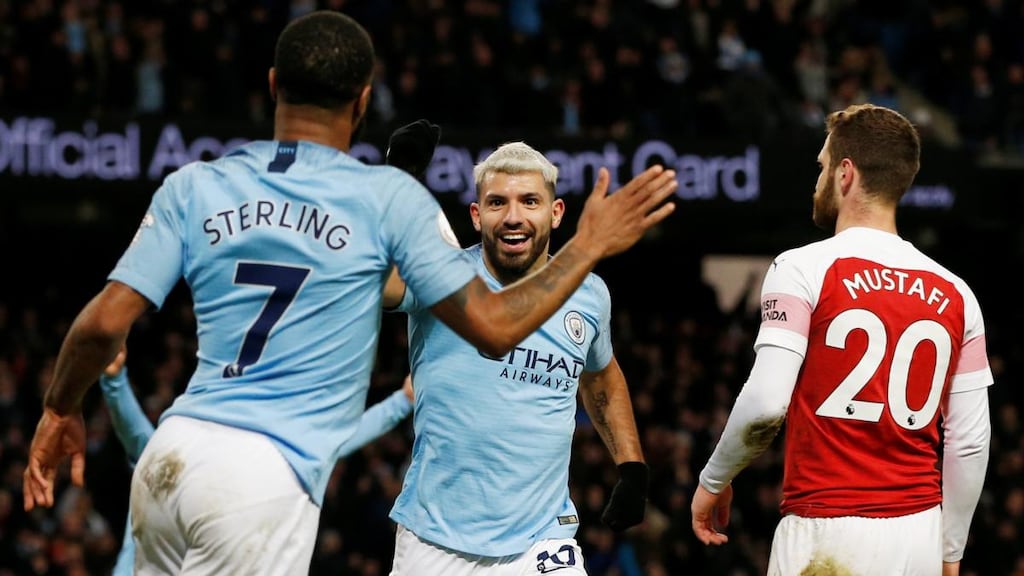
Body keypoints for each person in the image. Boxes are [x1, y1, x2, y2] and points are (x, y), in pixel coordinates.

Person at [21, 10, 678, 574]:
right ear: (363, 100)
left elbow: (103, 323)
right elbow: (493, 325)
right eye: (499, 202)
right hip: (264, 474)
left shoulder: (195, 183)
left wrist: (58, 409)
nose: (514, 216)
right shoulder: (386, 201)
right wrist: (591, 242)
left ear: (273, 84)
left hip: (176, 446)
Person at [690, 103, 993, 576]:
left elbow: (768, 403)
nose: (818, 180)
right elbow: (970, 443)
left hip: (825, 529)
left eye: (822, 167)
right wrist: (949, 551)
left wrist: (715, 478)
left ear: (845, 174)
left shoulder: (802, 268)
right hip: (918, 536)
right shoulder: (957, 293)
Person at [382, 141, 650, 575]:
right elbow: (376, 281)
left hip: (542, 541)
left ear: (556, 212)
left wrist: (632, 466)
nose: (512, 217)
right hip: (434, 542)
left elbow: (601, 377)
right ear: (476, 215)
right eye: (496, 203)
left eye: (529, 201)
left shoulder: (589, 294)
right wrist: (396, 188)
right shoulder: (439, 277)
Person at [98, 346, 415, 575]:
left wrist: (401, 402)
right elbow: (139, 438)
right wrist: (114, 381)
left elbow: (337, 442)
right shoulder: (183, 443)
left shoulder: (256, 448)